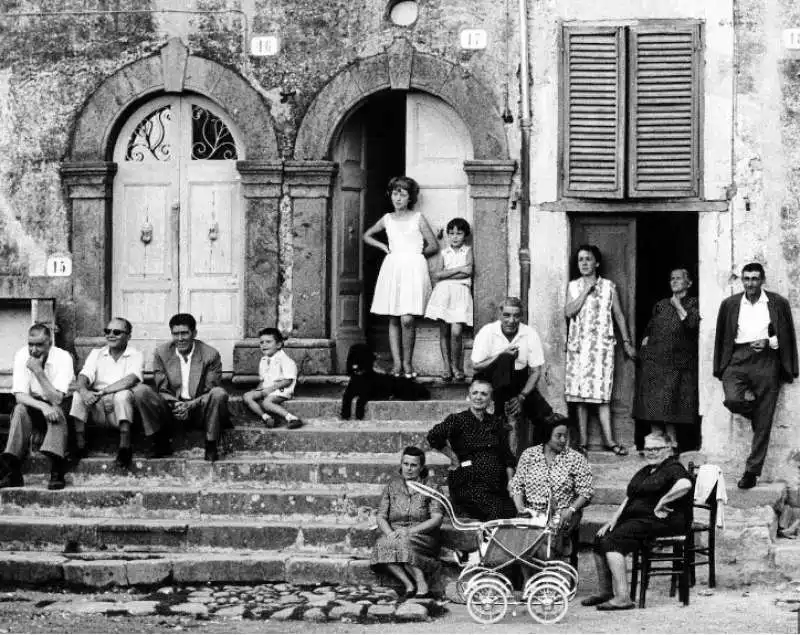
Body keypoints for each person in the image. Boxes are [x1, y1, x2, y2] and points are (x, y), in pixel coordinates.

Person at [582, 432, 692, 611]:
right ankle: (606, 592)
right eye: (648, 449)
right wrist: (613, 520)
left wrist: (663, 501)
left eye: (656, 448)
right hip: (642, 520)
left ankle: (623, 597)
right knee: (601, 537)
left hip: (664, 521)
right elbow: (630, 497)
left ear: (668, 449)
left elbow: (685, 484)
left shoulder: (673, 467)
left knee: (612, 541)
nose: (651, 452)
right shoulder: (646, 471)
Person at [713, 262, 798, 489]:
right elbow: (722, 337)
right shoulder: (730, 304)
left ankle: (751, 471)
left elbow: (786, 336)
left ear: (762, 280)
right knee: (733, 398)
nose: (750, 283)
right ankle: (759, 414)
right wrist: (721, 366)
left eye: (754, 278)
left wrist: (769, 342)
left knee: (764, 424)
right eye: (746, 278)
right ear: (742, 280)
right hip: (738, 358)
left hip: (766, 359)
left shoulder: (777, 303)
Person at [69, 317, 171, 469]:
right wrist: (83, 391)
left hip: (123, 408)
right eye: (107, 331)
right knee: (78, 396)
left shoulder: (135, 354)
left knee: (122, 395)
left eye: (116, 332)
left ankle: (125, 448)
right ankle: (80, 445)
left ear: (128, 336)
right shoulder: (97, 353)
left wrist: (103, 392)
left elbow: (130, 380)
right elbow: (84, 375)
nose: (110, 335)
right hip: (99, 405)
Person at [363, 176, 439, 379]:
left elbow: (433, 245)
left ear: (410, 198)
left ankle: (407, 362)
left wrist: (416, 257)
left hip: (413, 268)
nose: (398, 198)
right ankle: (397, 364)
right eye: (395, 193)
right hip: (393, 266)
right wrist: (383, 247)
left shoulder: (418, 218)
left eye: (403, 194)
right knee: (394, 317)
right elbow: (367, 235)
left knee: (407, 318)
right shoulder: (387, 219)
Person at [564, 244, 635, 456]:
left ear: (596, 262)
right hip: (579, 348)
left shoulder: (609, 286)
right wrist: (586, 290)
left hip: (601, 349)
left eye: (588, 259)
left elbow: (619, 316)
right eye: (580, 260)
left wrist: (627, 342)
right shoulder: (574, 286)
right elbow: (569, 311)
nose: (584, 263)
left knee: (602, 395)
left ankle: (610, 440)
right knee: (581, 398)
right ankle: (583, 442)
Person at [471, 297, 562, 453]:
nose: (511, 320)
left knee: (546, 416)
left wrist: (521, 397)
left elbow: (535, 371)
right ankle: (500, 413)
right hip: (490, 379)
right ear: (500, 315)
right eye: (507, 315)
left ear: (521, 316)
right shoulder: (488, 331)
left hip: (517, 382)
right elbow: (476, 366)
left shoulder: (529, 333)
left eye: (516, 316)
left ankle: (536, 460)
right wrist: (501, 355)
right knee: (506, 358)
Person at [427, 379, 517, 521]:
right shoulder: (457, 420)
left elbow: (507, 457)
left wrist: (511, 482)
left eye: (484, 394)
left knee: (511, 510)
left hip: (495, 484)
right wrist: (453, 457)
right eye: (475, 393)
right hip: (468, 483)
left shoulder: (496, 422)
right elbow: (434, 436)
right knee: (496, 512)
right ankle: (486, 541)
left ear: (490, 399)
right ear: (469, 396)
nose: (478, 397)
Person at [0, 323, 73, 490]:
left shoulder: (63, 358)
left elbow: (56, 398)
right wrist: (42, 406)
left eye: (39, 344)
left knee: (55, 410)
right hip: (36, 406)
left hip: (61, 408)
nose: (34, 350)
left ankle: (56, 469)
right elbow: (20, 395)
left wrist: (38, 371)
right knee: (19, 410)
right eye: (30, 344)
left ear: (50, 342)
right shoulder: (21, 354)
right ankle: (13, 470)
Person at [634, 269, 700, 452]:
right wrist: (645, 347)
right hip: (655, 363)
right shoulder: (661, 305)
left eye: (679, 278)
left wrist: (678, 305)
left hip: (678, 363)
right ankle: (656, 445)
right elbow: (649, 330)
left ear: (689, 283)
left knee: (673, 406)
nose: (674, 281)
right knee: (653, 406)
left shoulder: (694, 303)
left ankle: (672, 446)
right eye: (672, 278)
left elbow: (692, 325)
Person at [509, 418, 594, 559]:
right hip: (532, 513)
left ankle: (542, 572)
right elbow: (517, 485)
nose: (563, 440)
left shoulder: (575, 458)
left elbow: (586, 491)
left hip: (561, 515)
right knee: (516, 543)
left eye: (565, 436)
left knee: (541, 548)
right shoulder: (529, 455)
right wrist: (521, 509)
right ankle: (532, 576)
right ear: (547, 435)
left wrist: (571, 510)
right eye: (558, 436)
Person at [152, 313, 229, 462]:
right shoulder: (161, 353)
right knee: (144, 393)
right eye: (175, 334)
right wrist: (177, 404)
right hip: (173, 408)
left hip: (200, 408)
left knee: (219, 393)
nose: (180, 339)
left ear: (194, 333)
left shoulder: (210, 354)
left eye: (184, 333)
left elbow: (210, 391)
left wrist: (189, 405)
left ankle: (211, 443)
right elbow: (162, 388)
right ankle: (159, 440)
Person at [371, 446, 444, 598]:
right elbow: (381, 516)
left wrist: (410, 531)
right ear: (401, 464)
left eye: (413, 465)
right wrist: (389, 533)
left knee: (403, 542)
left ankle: (421, 582)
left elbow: (437, 519)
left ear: (421, 467)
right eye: (405, 464)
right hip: (396, 533)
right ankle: (408, 585)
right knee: (382, 544)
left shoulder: (432, 487)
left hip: (423, 536)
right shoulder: (392, 486)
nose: (409, 469)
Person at [425, 217, 473, 382]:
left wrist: (449, 272)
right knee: (444, 330)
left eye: (459, 233)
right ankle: (447, 366)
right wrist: (459, 269)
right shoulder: (444, 252)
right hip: (444, 293)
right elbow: (438, 274)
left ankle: (457, 366)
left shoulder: (467, 250)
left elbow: (469, 272)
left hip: (460, 292)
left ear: (465, 235)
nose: (455, 237)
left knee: (456, 331)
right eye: (451, 233)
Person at [243, 327, 303, 429]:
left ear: (279, 344)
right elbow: (263, 380)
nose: (264, 345)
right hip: (267, 389)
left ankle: (292, 418)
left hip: (281, 390)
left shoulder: (285, 360)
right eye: (261, 342)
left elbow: (288, 380)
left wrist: (270, 389)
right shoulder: (264, 360)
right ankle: (266, 417)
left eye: (268, 342)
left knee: (266, 403)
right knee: (247, 396)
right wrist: (258, 390)